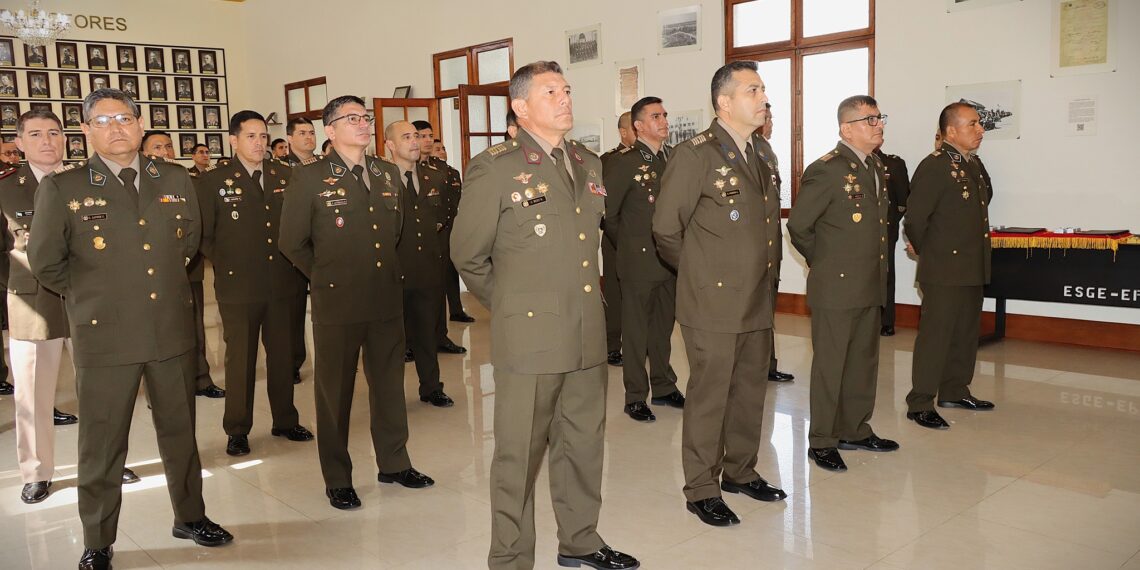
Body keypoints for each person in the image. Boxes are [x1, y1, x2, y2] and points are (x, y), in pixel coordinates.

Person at [29, 88, 232, 570]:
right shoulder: (64, 187)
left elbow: (187, 246)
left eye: (125, 118)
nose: (116, 128)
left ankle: (190, 515)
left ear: (140, 125)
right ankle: (98, 539)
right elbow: (46, 263)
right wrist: (97, 298)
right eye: (103, 120)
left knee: (180, 432)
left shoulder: (176, 178)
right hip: (106, 333)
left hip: (169, 329)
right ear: (86, 131)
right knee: (102, 443)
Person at [451, 60, 640, 570]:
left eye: (567, 89)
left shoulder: (587, 162)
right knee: (518, 455)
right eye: (551, 90)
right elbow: (468, 254)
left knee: (583, 444)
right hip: (531, 337)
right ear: (520, 106)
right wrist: (514, 309)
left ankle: (580, 540)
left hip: (585, 330)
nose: (564, 98)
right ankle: (511, 558)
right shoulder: (496, 166)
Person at [280, 95, 434, 511]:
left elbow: (395, 229)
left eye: (365, 117)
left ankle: (394, 463)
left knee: (388, 386)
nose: (363, 124)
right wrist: (328, 276)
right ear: (330, 130)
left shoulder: (385, 172)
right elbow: (291, 241)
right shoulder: (309, 178)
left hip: (384, 296)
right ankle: (338, 477)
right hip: (338, 301)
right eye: (352, 119)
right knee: (335, 394)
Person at [652, 61, 787, 528]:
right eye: (753, 90)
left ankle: (740, 471)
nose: (763, 98)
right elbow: (666, 230)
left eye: (764, 90)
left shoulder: (763, 153)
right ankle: (701, 487)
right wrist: (701, 275)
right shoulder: (695, 154)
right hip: (713, 299)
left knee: (750, 391)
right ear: (724, 102)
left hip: (756, 297)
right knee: (710, 395)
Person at [788, 95, 900, 473]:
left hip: (869, 282)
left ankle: (854, 428)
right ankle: (821, 440)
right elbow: (799, 225)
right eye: (869, 119)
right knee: (831, 365)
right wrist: (826, 263)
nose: (878, 124)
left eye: (879, 117)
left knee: (863, 362)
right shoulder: (828, 169)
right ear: (846, 128)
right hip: (836, 285)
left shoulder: (875, 166)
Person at [197, 110, 313, 457]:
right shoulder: (214, 180)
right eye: (251, 136)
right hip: (239, 286)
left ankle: (285, 420)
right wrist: (230, 263)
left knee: (282, 357)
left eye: (263, 136)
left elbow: (300, 225)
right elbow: (204, 235)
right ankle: (237, 429)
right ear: (233, 140)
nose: (259, 142)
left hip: (283, 282)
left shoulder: (287, 174)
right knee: (241, 360)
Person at [903, 102, 996, 430]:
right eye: (972, 124)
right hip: (944, 268)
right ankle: (920, 401)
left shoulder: (971, 163)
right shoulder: (935, 165)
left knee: (966, 332)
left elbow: (984, 200)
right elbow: (915, 218)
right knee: (936, 336)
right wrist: (931, 253)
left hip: (971, 264)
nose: (980, 129)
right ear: (951, 131)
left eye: (979, 124)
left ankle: (955, 390)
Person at [1, 109, 71, 504]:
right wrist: (19, 285)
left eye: (54, 133)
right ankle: (36, 471)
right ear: (20, 143)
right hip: (31, 302)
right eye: (36, 134)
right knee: (31, 393)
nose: (47, 141)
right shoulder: (6, 188)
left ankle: (106, 461)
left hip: (85, 301)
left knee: (102, 392)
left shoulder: (85, 181)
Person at [602, 96, 685, 423]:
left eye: (665, 115)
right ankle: (635, 395)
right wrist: (631, 246)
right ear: (638, 125)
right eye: (655, 116)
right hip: (638, 261)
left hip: (669, 262)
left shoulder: (673, 158)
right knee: (635, 332)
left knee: (663, 328)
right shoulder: (624, 163)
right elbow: (609, 215)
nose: (664, 121)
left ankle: (664, 386)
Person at [386, 121, 455, 408]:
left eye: (416, 136)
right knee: (390, 340)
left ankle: (431, 387)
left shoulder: (433, 177)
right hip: (392, 270)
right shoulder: (379, 179)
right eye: (406, 137)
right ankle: (388, 395)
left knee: (427, 332)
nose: (414, 141)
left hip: (427, 268)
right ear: (390, 145)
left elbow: (441, 215)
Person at [411, 120, 468, 355]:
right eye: (421, 136)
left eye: (430, 136)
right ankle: (410, 343)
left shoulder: (440, 168)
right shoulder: (404, 167)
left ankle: (440, 337)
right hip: (414, 238)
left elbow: (450, 202)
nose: (427, 140)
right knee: (413, 292)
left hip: (441, 235)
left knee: (438, 287)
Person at [757, 103, 795, 383]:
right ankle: (759, 366)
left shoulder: (766, 150)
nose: (770, 123)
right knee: (757, 311)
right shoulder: (750, 150)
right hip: (756, 246)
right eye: (768, 117)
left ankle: (768, 365)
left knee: (768, 309)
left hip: (771, 245)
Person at [598, 111, 637, 368]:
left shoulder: (654, 158)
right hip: (616, 237)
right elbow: (601, 204)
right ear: (624, 132)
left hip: (645, 240)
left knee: (640, 296)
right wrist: (620, 236)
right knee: (614, 293)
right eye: (635, 127)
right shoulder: (608, 161)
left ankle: (639, 344)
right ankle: (612, 346)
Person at [430, 137, 475, 324]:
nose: (442, 151)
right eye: (437, 149)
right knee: (435, 274)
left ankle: (456, 310)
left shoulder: (454, 173)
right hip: (435, 229)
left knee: (452, 270)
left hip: (453, 227)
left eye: (443, 148)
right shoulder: (429, 173)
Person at [874, 142, 910, 336]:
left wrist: (890, 223)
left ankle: (886, 320)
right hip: (857, 232)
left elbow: (903, 202)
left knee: (885, 275)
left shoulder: (893, 164)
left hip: (885, 230)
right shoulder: (849, 165)